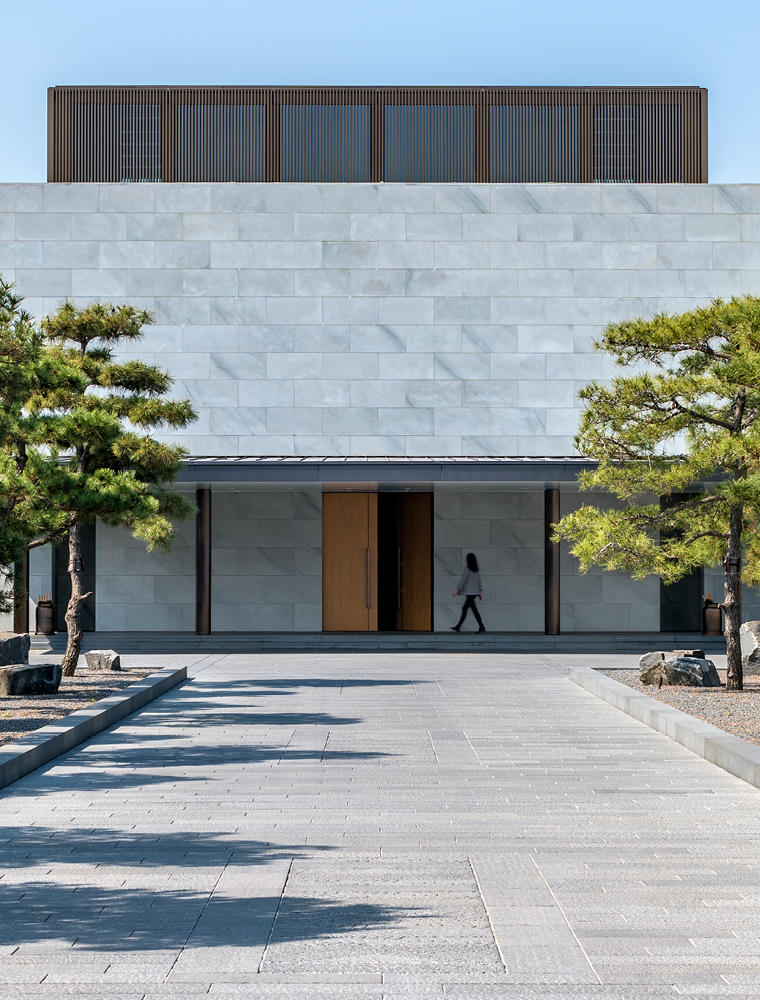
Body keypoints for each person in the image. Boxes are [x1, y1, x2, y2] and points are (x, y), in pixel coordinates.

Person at [450, 552, 486, 632]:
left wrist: (457, 589)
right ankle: (459, 626)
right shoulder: (476, 569)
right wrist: (479, 592)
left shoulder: (467, 569)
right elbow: (478, 582)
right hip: (474, 593)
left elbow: (463, 580)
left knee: (467, 609)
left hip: (470, 593)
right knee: (470, 609)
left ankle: (459, 627)